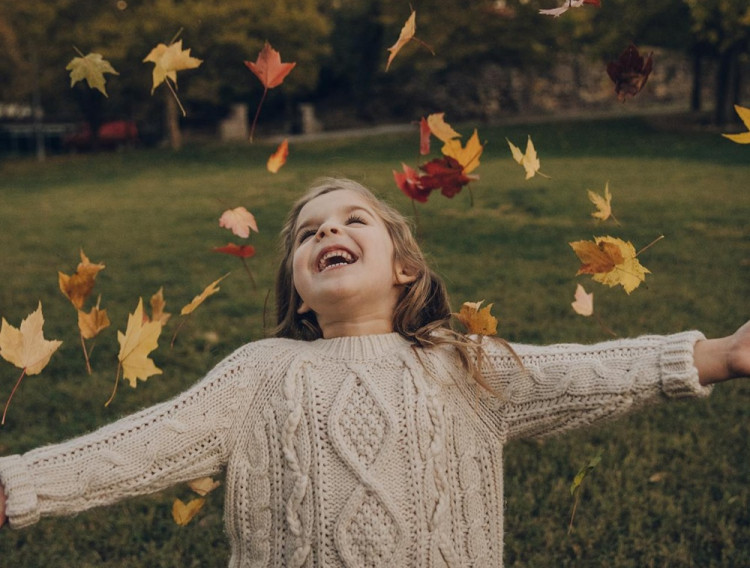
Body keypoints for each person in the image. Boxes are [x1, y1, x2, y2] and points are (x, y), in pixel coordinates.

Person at [0, 177, 747, 567]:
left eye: (353, 220)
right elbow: (138, 446)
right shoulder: (262, 371)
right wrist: (19, 484)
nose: (328, 229)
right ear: (295, 284)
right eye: (307, 233)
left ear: (405, 267)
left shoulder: (457, 362)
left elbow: (585, 373)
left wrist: (720, 355)